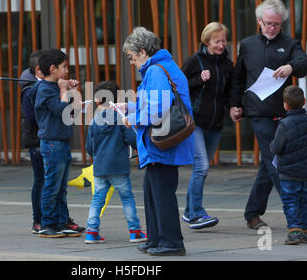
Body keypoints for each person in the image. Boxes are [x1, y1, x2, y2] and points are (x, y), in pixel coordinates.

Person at [228, 0, 307, 229]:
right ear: (259, 21)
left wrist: (291, 67)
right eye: (268, 23)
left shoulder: (290, 43)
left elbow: (305, 63)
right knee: (275, 159)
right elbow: (238, 77)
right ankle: (296, 206)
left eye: (277, 24)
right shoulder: (247, 45)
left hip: (285, 113)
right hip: (259, 112)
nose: (272, 28)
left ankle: (252, 213)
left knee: (270, 162)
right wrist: (235, 104)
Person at [120, 27, 194, 256]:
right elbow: (158, 103)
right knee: (154, 193)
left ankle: (171, 242)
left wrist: (131, 118)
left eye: (132, 57)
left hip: (161, 143)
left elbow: (157, 110)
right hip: (162, 143)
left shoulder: (155, 71)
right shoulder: (164, 66)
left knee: (161, 194)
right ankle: (155, 239)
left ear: (143, 52)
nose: (132, 62)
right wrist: (130, 106)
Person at [180, 22, 233, 229]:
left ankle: (187, 211)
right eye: (217, 41)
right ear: (206, 42)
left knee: (201, 168)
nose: (221, 45)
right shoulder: (195, 61)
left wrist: (234, 107)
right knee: (202, 166)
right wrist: (197, 80)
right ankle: (196, 214)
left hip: (216, 122)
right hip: (195, 122)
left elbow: (230, 91)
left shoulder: (227, 65)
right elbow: (178, 85)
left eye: (223, 40)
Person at [84, 81, 147, 244]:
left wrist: (97, 157)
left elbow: (89, 147)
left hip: (99, 167)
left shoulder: (93, 122)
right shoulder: (120, 119)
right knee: (127, 198)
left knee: (98, 199)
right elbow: (131, 139)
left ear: (97, 101)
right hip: (119, 166)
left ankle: (91, 232)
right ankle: (135, 231)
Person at [31, 48, 83, 238]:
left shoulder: (54, 89)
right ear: (53, 69)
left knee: (61, 187)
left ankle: (61, 222)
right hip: (52, 143)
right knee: (52, 186)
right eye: (63, 67)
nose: (66, 71)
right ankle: (47, 223)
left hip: (61, 141)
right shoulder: (45, 89)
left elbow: (74, 113)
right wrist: (63, 90)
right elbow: (61, 111)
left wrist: (74, 92)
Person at [269, 85, 307, 245]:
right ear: (304, 101)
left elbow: (277, 148)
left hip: (289, 171)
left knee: (291, 201)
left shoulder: (284, 125)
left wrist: (271, 145)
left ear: (285, 105)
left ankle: (294, 232)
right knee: (305, 201)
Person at [19, 50, 45, 234]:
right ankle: (38, 219)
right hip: (37, 140)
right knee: (41, 180)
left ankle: (58, 217)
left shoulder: (41, 85)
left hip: (45, 138)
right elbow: (31, 117)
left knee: (53, 181)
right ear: (39, 70)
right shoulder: (30, 88)